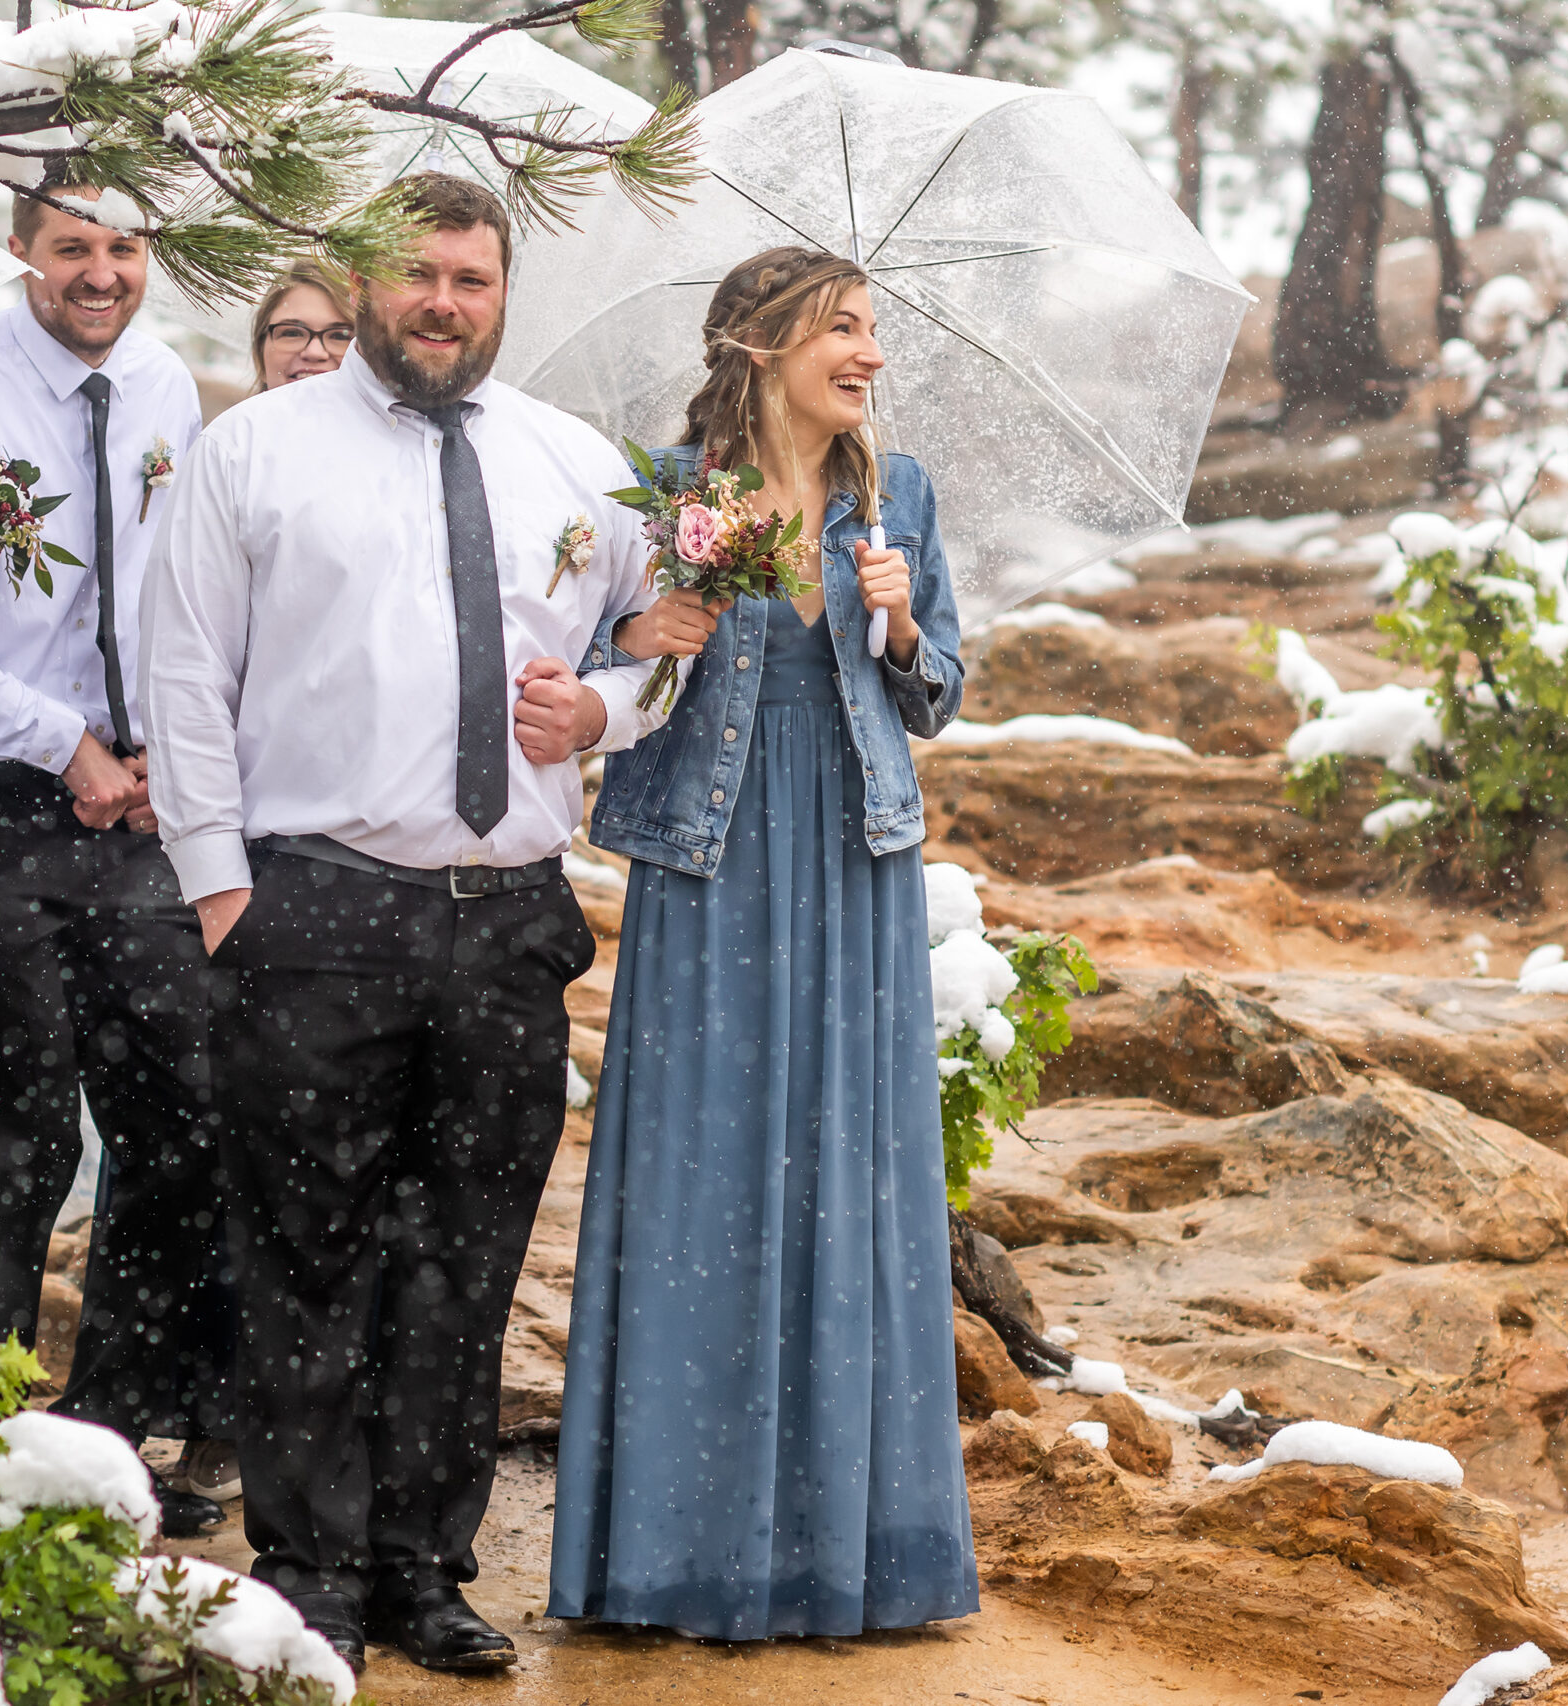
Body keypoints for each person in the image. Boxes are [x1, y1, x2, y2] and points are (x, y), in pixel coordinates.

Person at [141, 173, 670, 1674]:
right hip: (311, 911)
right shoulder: (251, 454)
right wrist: (220, 890)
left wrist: (606, 707)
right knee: (303, 1252)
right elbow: (183, 679)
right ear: (365, 281)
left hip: (507, 924)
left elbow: (669, 638)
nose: (445, 302)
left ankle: (422, 1568)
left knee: (466, 1259)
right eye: (421, 275)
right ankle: (305, 1569)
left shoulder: (577, 465)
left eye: (474, 280)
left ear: (505, 295)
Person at [546, 247, 977, 1640]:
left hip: (855, 862)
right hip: (711, 865)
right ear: (758, 344)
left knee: (852, 1178)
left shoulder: (895, 494)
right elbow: (597, 660)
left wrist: (901, 617)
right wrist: (640, 620)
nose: (867, 355)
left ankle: (845, 1546)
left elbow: (938, 694)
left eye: (872, 331)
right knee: (701, 1174)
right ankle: (678, 1542)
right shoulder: (669, 489)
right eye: (841, 329)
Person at [0, 186, 231, 1537]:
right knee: (15, 1137)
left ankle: (103, 1441)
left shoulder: (170, 381)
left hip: (133, 807)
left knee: (177, 1118)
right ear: (22, 250)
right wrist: (61, 741)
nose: (103, 272)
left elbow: (182, 593)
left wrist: (163, 762)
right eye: (75, 247)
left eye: (126, 247)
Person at [248, 260, 354, 391]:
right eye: (292, 333)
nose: (314, 352)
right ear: (259, 353)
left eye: (339, 336)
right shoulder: (238, 412)